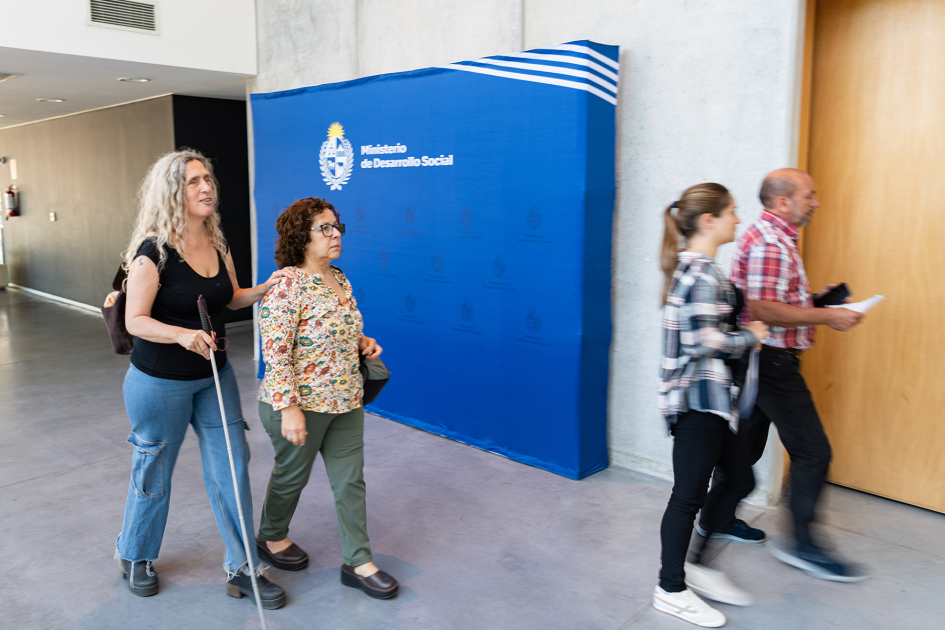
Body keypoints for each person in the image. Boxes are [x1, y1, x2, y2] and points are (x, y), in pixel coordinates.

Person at [116, 149, 293, 608]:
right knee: (154, 466)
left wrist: (270, 285)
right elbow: (135, 320)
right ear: (174, 192)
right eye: (194, 181)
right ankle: (134, 553)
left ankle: (242, 568)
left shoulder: (217, 241)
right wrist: (180, 334)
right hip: (158, 382)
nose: (206, 187)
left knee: (232, 468)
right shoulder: (152, 252)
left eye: (207, 179)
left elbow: (231, 299)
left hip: (214, 375)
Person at [701, 168, 868, 582]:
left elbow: (775, 301)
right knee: (813, 451)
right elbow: (762, 310)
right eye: (809, 195)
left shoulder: (775, 238)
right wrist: (828, 315)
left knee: (745, 449)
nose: (816, 201)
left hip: (766, 357)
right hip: (770, 362)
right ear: (783, 202)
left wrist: (814, 301)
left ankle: (715, 518)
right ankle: (802, 545)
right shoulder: (771, 243)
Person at [256, 197, 398, 599]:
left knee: (351, 482)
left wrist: (362, 341)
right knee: (291, 478)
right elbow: (277, 352)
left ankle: (358, 561)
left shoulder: (340, 277)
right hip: (298, 406)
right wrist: (289, 409)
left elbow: (343, 328)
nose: (336, 234)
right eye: (325, 228)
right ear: (301, 237)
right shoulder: (286, 284)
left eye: (337, 227)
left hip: (347, 400)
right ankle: (270, 536)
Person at [653, 183, 770, 627]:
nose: (738, 219)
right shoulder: (700, 275)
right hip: (696, 402)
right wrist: (751, 337)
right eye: (732, 212)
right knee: (686, 498)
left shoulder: (703, 271)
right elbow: (705, 341)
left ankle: (695, 565)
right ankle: (669, 588)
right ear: (709, 221)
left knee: (740, 477)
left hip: (714, 401)